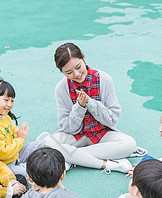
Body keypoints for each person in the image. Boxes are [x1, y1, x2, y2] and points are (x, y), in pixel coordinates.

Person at [42, 42, 146, 174]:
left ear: (83, 58)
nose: (77, 74)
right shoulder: (61, 88)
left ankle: (71, 158)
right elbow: (67, 128)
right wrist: (79, 107)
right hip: (76, 136)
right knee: (47, 142)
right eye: (68, 72)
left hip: (102, 134)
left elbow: (112, 119)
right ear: (62, 72)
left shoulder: (104, 79)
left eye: (78, 67)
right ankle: (108, 164)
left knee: (129, 144)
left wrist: (90, 103)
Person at [0, 71, 49, 179]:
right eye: (6, 100)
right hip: (5, 165)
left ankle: (31, 162)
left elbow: (13, 129)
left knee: (43, 142)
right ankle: (29, 167)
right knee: (33, 173)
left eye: (12, 101)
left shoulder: (4, 116)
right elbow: (4, 153)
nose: (9, 105)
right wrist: (21, 139)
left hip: (16, 154)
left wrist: (18, 133)